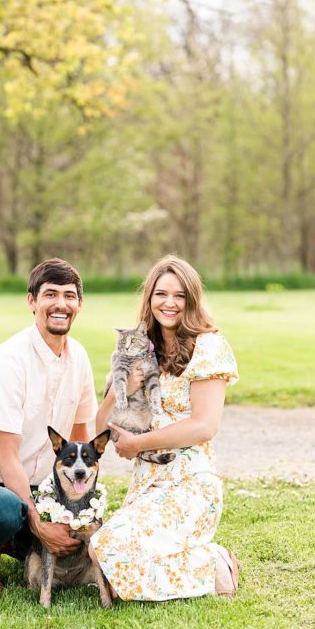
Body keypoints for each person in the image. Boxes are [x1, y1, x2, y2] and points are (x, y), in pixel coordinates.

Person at [0, 258, 98, 595]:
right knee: (4, 509)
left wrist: (76, 508)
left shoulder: (79, 358)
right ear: (31, 301)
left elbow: (82, 444)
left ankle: (15, 539)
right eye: (50, 294)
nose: (61, 304)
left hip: (37, 488)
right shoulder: (8, 361)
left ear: (80, 305)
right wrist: (38, 524)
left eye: (69, 296)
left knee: (72, 544)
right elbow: (7, 458)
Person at [89, 255, 241, 600]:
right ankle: (205, 558)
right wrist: (120, 392)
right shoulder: (139, 347)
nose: (169, 303)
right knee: (103, 554)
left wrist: (138, 444)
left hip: (191, 482)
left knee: (108, 550)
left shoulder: (209, 346)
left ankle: (213, 565)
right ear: (149, 298)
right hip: (148, 482)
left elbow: (204, 426)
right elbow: (98, 429)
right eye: (161, 294)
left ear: (192, 299)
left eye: (179, 295)